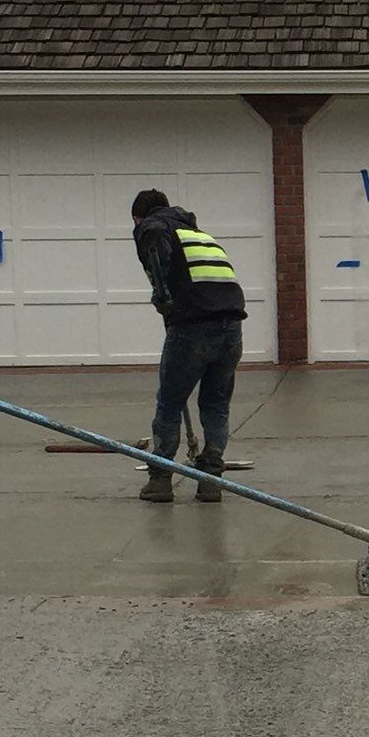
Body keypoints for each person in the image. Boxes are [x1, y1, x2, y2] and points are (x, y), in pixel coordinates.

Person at [129, 187, 245, 503]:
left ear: (139, 217)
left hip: (192, 329)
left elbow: (153, 240)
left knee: (169, 402)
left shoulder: (154, 226)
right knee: (216, 405)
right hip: (231, 330)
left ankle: (160, 480)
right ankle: (210, 481)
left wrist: (162, 296)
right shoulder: (199, 236)